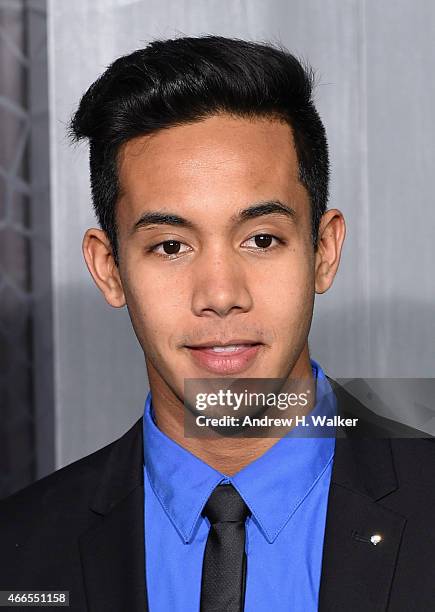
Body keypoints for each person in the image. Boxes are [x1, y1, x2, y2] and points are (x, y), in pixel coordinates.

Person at [0, 36, 434, 612]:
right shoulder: (19, 554)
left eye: (261, 239)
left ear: (323, 251)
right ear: (109, 269)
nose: (221, 295)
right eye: (171, 246)